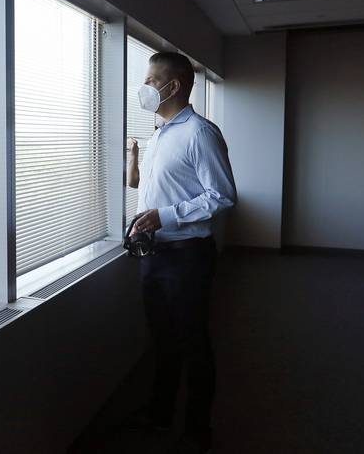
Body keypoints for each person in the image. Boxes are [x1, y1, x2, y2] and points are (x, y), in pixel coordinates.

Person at [125, 52, 236, 454]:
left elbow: (222, 195)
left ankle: (197, 429)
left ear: (174, 86)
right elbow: (153, 191)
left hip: (188, 257)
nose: (145, 87)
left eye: (151, 80)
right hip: (156, 256)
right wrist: (145, 220)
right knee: (162, 340)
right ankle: (159, 414)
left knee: (192, 342)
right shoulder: (159, 134)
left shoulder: (200, 133)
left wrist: (164, 216)